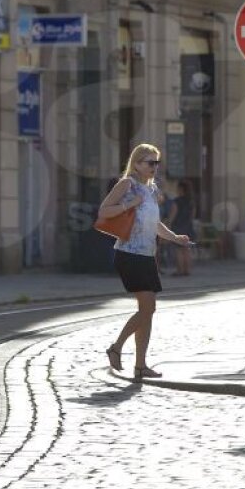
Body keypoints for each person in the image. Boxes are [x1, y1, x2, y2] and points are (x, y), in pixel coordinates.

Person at [97, 143, 190, 379]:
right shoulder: (127, 184)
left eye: (157, 163)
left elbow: (154, 224)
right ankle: (116, 347)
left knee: (146, 311)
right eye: (150, 162)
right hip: (129, 254)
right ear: (136, 163)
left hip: (147, 255)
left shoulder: (150, 189)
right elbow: (104, 212)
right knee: (149, 307)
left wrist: (175, 238)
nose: (154, 167)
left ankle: (140, 366)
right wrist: (130, 203)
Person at [167, 179, 196, 276]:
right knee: (187, 250)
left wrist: (168, 224)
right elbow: (192, 216)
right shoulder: (191, 202)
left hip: (178, 228)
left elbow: (172, 215)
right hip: (188, 228)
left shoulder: (176, 201)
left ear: (180, 189)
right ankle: (187, 270)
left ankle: (180, 270)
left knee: (178, 250)